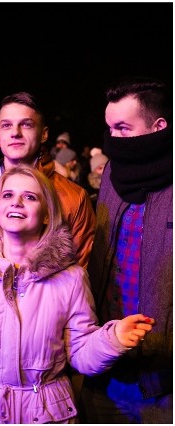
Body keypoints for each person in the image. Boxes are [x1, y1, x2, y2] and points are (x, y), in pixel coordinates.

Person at [0, 165, 156, 424]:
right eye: (7, 195)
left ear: (47, 214)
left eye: (29, 196)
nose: (16, 202)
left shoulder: (70, 278)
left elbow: (80, 353)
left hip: (48, 413)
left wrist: (112, 339)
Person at [83, 76, 173, 424]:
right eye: (109, 129)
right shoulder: (111, 175)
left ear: (158, 127)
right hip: (106, 362)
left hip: (163, 381)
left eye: (123, 128)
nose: (113, 140)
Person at [0, 92, 95, 267]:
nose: (15, 133)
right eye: (6, 125)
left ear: (44, 134)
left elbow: (81, 274)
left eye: (26, 125)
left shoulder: (74, 198)